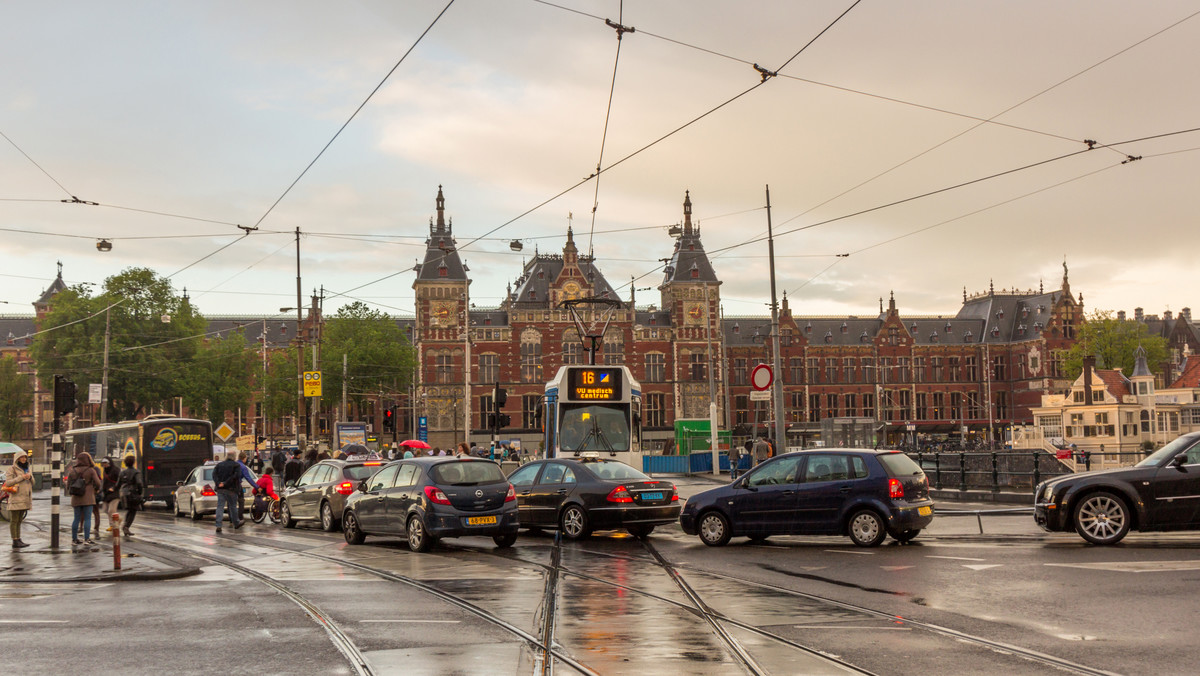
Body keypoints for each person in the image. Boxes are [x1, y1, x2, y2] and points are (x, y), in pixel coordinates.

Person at [67, 451, 102, 546]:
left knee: (76, 519)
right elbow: (98, 483)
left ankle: (74, 539)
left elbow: (68, 485)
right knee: (87, 518)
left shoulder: (72, 470)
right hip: (88, 497)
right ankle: (87, 539)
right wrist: (96, 490)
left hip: (76, 498)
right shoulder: (91, 470)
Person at [4, 450, 33, 549]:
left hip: (25, 498)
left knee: (20, 520)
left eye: (25, 457)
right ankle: (15, 540)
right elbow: (8, 483)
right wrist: (21, 477)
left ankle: (19, 538)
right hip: (16, 498)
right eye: (21, 457)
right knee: (14, 520)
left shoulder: (27, 468)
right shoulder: (12, 469)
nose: (24, 459)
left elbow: (33, 482)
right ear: (17, 459)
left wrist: (30, 477)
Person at [212, 451, 244, 534]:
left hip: (220, 489)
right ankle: (236, 523)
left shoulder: (219, 465)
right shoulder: (236, 465)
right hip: (231, 489)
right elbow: (236, 476)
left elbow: (214, 475)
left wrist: (219, 483)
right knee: (233, 506)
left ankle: (218, 525)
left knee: (220, 506)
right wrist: (226, 483)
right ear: (234, 457)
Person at [116, 455, 143, 537]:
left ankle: (125, 526)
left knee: (129, 510)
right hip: (132, 493)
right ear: (133, 462)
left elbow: (118, 484)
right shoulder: (136, 472)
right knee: (133, 511)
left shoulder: (122, 472)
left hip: (123, 493)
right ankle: (126, 526)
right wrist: (140, 492)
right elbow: (139, 483)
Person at [100, 458, 120, 533]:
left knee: (111, 510)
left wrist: (114, 487)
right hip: (107, 493)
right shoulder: (105, 471)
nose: (104, 465)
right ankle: (117, 520)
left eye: (105, 463)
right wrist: (101, 489)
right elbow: (104, 481)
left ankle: (113, 525)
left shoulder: (116, 470)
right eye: (103, 463)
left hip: (114, 493)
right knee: (105, 509)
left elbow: (119, 480)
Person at [236, 452, 258, 518]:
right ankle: (240, 517)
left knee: (231, 503)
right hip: (237, 485)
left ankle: (232, 518)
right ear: (244, 458)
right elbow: (248, 478)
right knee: (241, 501)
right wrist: (256, 486)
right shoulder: (243, 467)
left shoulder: (234, 464)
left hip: (229, 486)